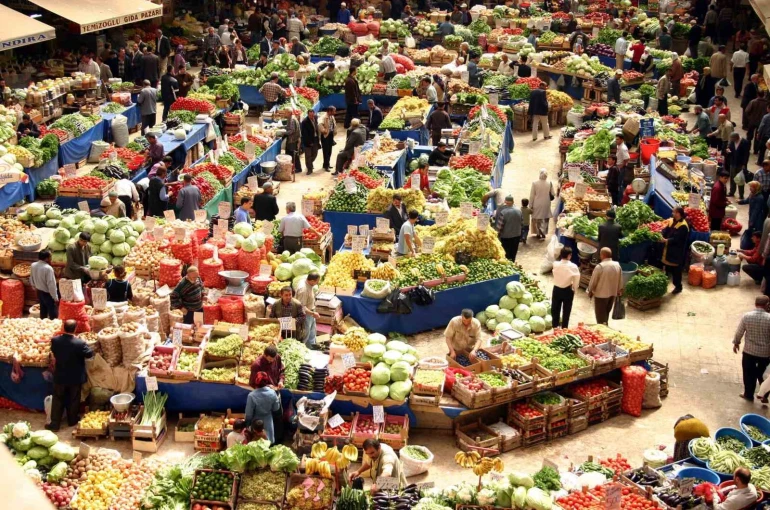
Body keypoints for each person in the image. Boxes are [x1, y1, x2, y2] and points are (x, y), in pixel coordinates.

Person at [46, 320, 94, 431]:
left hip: (60, 376)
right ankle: (72, 420)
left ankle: (54, 424)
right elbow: (89, 354)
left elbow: (53, 351)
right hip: (74, 377)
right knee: (74, 399)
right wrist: (85, 343)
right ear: (75, 329)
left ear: (63, 327)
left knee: (58, 399)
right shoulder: (80, 343)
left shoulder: (55, 341)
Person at [735, 296, 770, 400]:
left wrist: (736, 343)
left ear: (755, 304)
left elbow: (739, 332)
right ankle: (764, 395)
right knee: (762, 374)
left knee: (748, 373)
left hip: (749, 352)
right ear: (767, 305)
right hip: (765, 353)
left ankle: (748, 395)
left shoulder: (747, 316)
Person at [588, 247, 623, 325]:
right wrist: (619, 290)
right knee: (606, 313)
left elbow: (593, 281)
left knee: (600, 317)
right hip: (612, 294)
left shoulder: (600, 267)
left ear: (603, 255)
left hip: (601, 295)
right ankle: (605, 325)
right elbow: (620, 279)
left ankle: (602, 330)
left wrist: (590, 291)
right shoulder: (617, 265)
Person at [660, 206, 690, 294]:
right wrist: (661, 235)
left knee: (676, 271)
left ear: (679, 214)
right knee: (666, 268)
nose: (673, 214)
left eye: (674, 212)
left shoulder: (683, 226)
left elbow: (677, 239)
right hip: (668, 250)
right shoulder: (672, 221)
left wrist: (666, 240)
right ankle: (665, 284)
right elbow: (666, 230)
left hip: (676, 252)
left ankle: (678, 286)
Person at [245, 373, 281, 444]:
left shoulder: (252, 396)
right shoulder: (272, 393)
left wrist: (247, 424)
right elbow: (276, 408)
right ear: (267, 382)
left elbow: (249, 414)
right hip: (268, 420)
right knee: (268, 442)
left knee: (256, 444)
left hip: (255, 422)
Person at [30, 250, 59, 320]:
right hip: (47, 294)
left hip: (39, 292)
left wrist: (34, 287)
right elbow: (51, 284)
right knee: (53, 314)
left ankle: (42, 324)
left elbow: (31, 278)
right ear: (46, 258)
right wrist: (55, 297)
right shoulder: (48, 269)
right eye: (50, 257)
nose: (51, 258)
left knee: (43, 312)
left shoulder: (33, 265)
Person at [296, 272, 321, 346]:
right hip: (306, 314)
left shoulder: (305, 281)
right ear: (312, 281)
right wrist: (312, 313)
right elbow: (302, 307)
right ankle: (303, 348)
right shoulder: (304, 290)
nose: (317, 283)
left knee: (312, 331)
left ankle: (311, 346)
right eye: (317, 281)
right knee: (306, 332)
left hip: (311, 311)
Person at [496, 195, 522, 262]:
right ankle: (513, 263)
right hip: (517, 235)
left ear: (505, 202)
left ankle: (508, 266)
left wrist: (497, 236)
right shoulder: (519, 210)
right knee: (513, 252)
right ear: (513, 202)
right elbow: (522, 223)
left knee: (506, 253)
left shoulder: (503, 212)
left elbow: (500, 227)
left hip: (506, 237)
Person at [529, 169, 554, 239]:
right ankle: (543, 233)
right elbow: (553, 193)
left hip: (537, 203)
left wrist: (530, 205)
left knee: (537, 219)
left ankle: (538, 233)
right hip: (546, 203)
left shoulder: (534, 183)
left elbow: (532, 195)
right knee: (545, 218)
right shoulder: (549, 183)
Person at [727, 132, 751, 198]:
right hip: (733, 162)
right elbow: (729, 147)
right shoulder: (732, 142)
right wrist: (728, 150)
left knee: (740, 179)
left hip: (740, 164)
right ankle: (732, 192)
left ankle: (741, 194)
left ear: (736, 138)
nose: (731, 140)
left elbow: (746, 154)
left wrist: (744, 164)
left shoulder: (745, 142)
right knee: (732, 178)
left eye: (732, 139)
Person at [300, 109, 319, 175]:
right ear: (308, 114)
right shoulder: (305, 122)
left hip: (315, 139)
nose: (312, 116)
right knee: (308, 155)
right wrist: (309, 142)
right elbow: (304, 134)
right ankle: (309, 169)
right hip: (308, 141)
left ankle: (309, 163)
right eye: (310, 115)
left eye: (312, 115)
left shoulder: (315, 118)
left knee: (315, 154)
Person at [318, 106, 336, 173]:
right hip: (325, 136)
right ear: (330, 111)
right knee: (326, 151)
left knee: (329, 151)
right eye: (334, 111)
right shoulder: (323, 117)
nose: (335, 112)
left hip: (330, 135)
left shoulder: (331, 116)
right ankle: (326, 166)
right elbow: (319, 124)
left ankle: (326, 164)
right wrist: (323, 130)